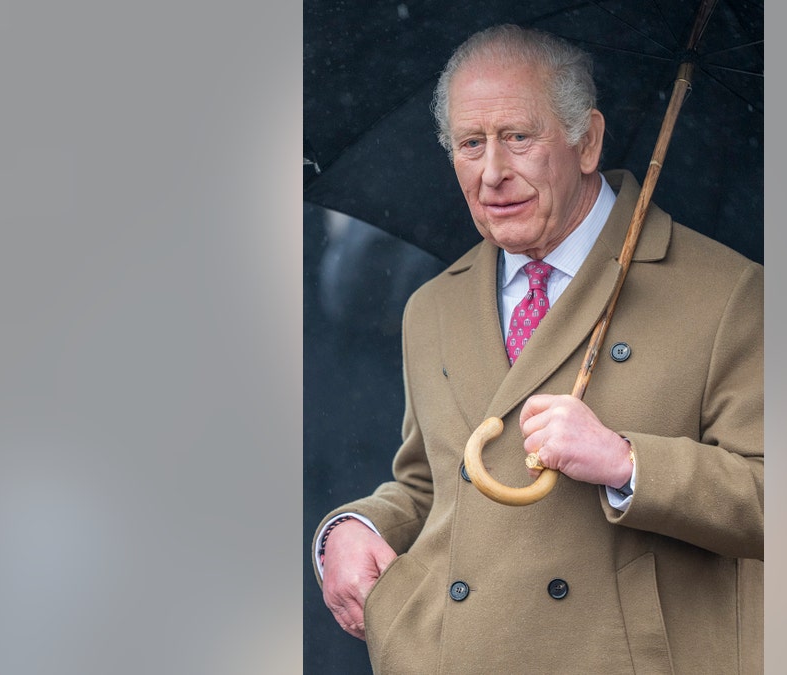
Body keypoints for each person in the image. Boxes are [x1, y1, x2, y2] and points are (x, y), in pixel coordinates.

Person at [312, 24, 763, 673]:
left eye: (518, 137)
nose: (493, 172)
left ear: (588, 141)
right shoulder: (432, 307)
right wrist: (355, 529)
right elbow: (431, 484)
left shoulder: (726, 293)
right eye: (471, 143)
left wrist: (628, 462)